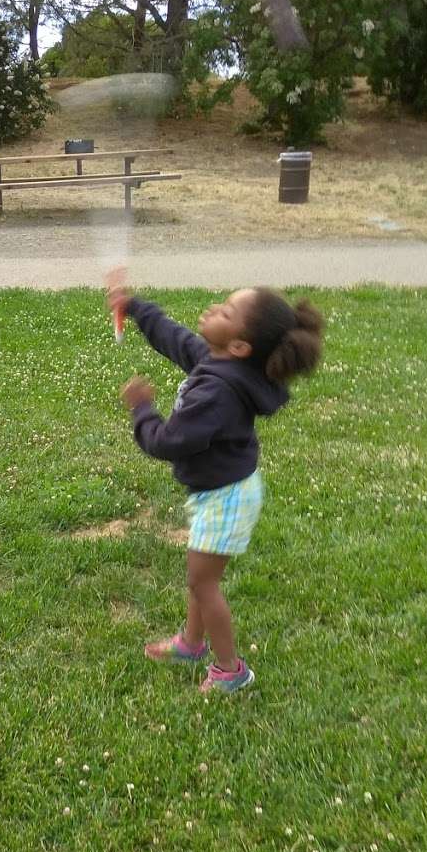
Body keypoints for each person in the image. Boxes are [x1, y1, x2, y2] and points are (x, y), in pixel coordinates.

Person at [109, 277, 324, 693]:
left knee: (202, 583)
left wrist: (142, 411)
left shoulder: (219, 392)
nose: (212, 308)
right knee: (200, 577)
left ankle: (231, 670)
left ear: (241, 346)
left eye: (226, 312)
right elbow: (177, 341)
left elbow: (168, 442)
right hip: (221, 492)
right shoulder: (224, 364)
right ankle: (191, 644)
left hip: (225, 499)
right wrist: (136, 307)